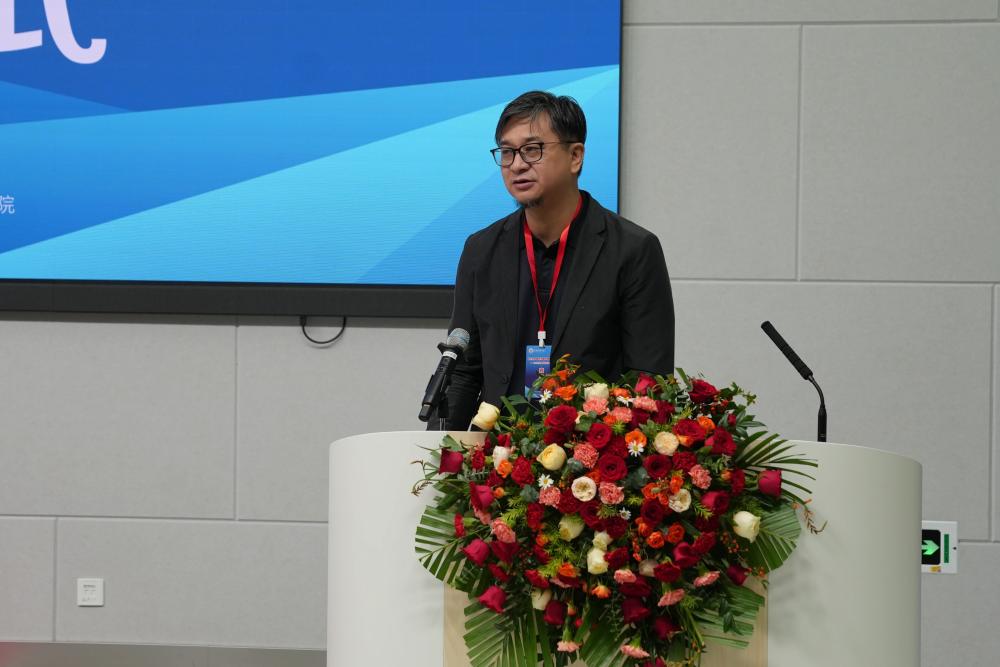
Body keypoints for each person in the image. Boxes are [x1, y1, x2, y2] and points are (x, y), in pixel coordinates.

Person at [440, 90, 673, 430]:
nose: (517, 164)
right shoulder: (482, 250)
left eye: (532, 149)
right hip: (495, 453)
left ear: (575, 156)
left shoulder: (633, 250)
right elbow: (464, 372)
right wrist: (439, 452)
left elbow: (648, 379)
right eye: (507, 152)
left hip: (587, 453)